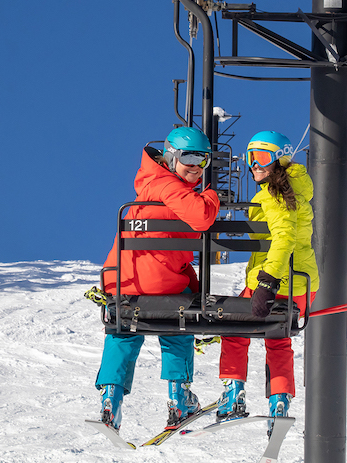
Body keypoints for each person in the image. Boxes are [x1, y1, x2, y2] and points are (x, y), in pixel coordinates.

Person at [95, 126, 220, 432]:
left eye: (202, 160)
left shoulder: (150, 185)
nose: (195, 166)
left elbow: (171, 254)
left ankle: (111, 400)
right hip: (157, 285)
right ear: (171, 156)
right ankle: (179, 399)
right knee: (180, 323)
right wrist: (212, 195)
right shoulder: (168, 187)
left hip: (125, 284)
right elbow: (202, 217)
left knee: (123, 330)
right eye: (189, 157)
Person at [217, 131, 319, 433]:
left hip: (276, 283)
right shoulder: (296, 190)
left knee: (234, 331)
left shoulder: (275, 195)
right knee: (278, 338)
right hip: (302, 288)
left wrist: (267, 282)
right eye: (249, 158)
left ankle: (233, 394)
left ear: (280, 159)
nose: (254, 165)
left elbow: (284, 237)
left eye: (261, 157)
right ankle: (279, 399)